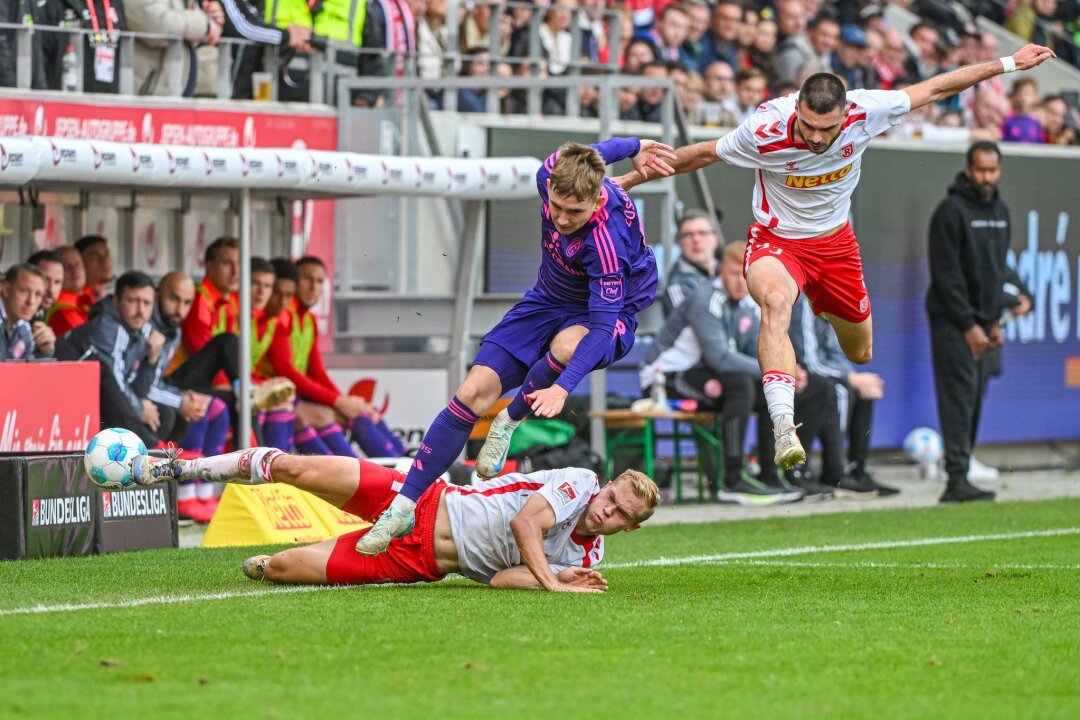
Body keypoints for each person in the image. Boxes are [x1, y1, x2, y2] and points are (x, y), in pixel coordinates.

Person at [616, 43, 1055, 475]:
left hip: (835, 246)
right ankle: (784, 425)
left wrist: (1008, 63)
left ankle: (824, 308)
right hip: (777, 241)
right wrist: (627, 181)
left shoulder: (868, 110)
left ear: (844, 115)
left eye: (825, 129)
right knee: (774, 304)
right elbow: (704, 153)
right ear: (799, 110)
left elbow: (937, 88)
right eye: (807, 126)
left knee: (861, 352)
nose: (815, 138)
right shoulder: (766, 129)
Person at [357, 137, 677, 556]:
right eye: (556, 207)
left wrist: (562, 388)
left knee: (567, 347)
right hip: (545, 300)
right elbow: (589, 151)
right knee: (471, 392)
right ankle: (402, 508)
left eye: (573, 212)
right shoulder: (551, 174)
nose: (560, 218)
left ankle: (511, 418)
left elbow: (599, 330)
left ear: (597, 203)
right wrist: (633, 145)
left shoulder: (606, 246)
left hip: (608, 317)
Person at [130, 449, 659, 591]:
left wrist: (557, 577)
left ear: (629, 529)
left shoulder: (588, 557)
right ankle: (177, 466)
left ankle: (275, 562)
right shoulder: (582, 482)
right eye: (612, 498)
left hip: (416, 558)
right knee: (295, 468)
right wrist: (554, 582)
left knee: (281, 568)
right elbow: (526, 525)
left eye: (619, 516)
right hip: (419, 497)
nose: (605, 510)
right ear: (606, 484)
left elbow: (500, 577)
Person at [641, 242, 802, 506]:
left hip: (701, 373)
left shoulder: (747, 304)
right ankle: (731, 479)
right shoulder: (705, 299)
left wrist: (782, 374)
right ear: (720, 272)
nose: (740, 281)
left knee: (769, 393)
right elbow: (721, 358)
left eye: (745, 274)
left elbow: (757, 350)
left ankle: (770, 475)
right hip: (665, 378)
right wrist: (781, 371)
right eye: (733, 273)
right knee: (740, 385)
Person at [926, 141, 1014, 503]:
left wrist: (992, 321)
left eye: (992, 170)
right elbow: (946, 276)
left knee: (975, 399)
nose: (987, 177)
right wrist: (968, 324)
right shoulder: (950, 211)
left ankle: (962, 472)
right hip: (953, 323)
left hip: (984, 323)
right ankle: (956, 479)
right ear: (968, 169)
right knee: (958, 399)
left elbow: (995, 273)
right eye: (980, 170)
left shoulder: (1000, 210)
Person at [265, 256, 406, 459]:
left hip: (291, 394)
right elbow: (286, 370)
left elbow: (317, 372)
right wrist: (338, 401)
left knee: (359, 411)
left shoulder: (309, 320)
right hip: (278, 394)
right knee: (333, 416)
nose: (313, 287)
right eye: (307, 279)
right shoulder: (283, 315)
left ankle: (402, 462)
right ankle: (360, 478)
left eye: (320, 281)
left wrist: (342, 401)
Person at [788, 294, 898, 497]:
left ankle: (858, 469)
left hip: (821, 374)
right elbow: (809, 360)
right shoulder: (804, 300)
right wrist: (850, 378)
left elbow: (836, 354)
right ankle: (834, 472)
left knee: (864, 391)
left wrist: (853, 377)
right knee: (840, 390)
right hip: (798, 374)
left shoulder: (836, 299)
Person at [662, 209, 722, 315]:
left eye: (702, 233)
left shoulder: (732, 272)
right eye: (688, 235)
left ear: (715, 239)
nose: (696, 240)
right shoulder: (676, 286)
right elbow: (703, 325)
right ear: (679, 242)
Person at [1, 264, 55, 361]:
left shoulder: (24, 328)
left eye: (38, 294)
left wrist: (44, 351)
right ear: (6, 289)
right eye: (24, 291)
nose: (31, 301)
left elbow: (28, 373)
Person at [49, 246, 90, 336]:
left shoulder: (90, 299)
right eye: (67, 266)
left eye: (77, 264)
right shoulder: (59, 312)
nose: (75, 270)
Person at [75, 235, 114, 306]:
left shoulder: (117, 301)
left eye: (107, 254)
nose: (105, 261)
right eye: (94, 257)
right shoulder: (74, 303)